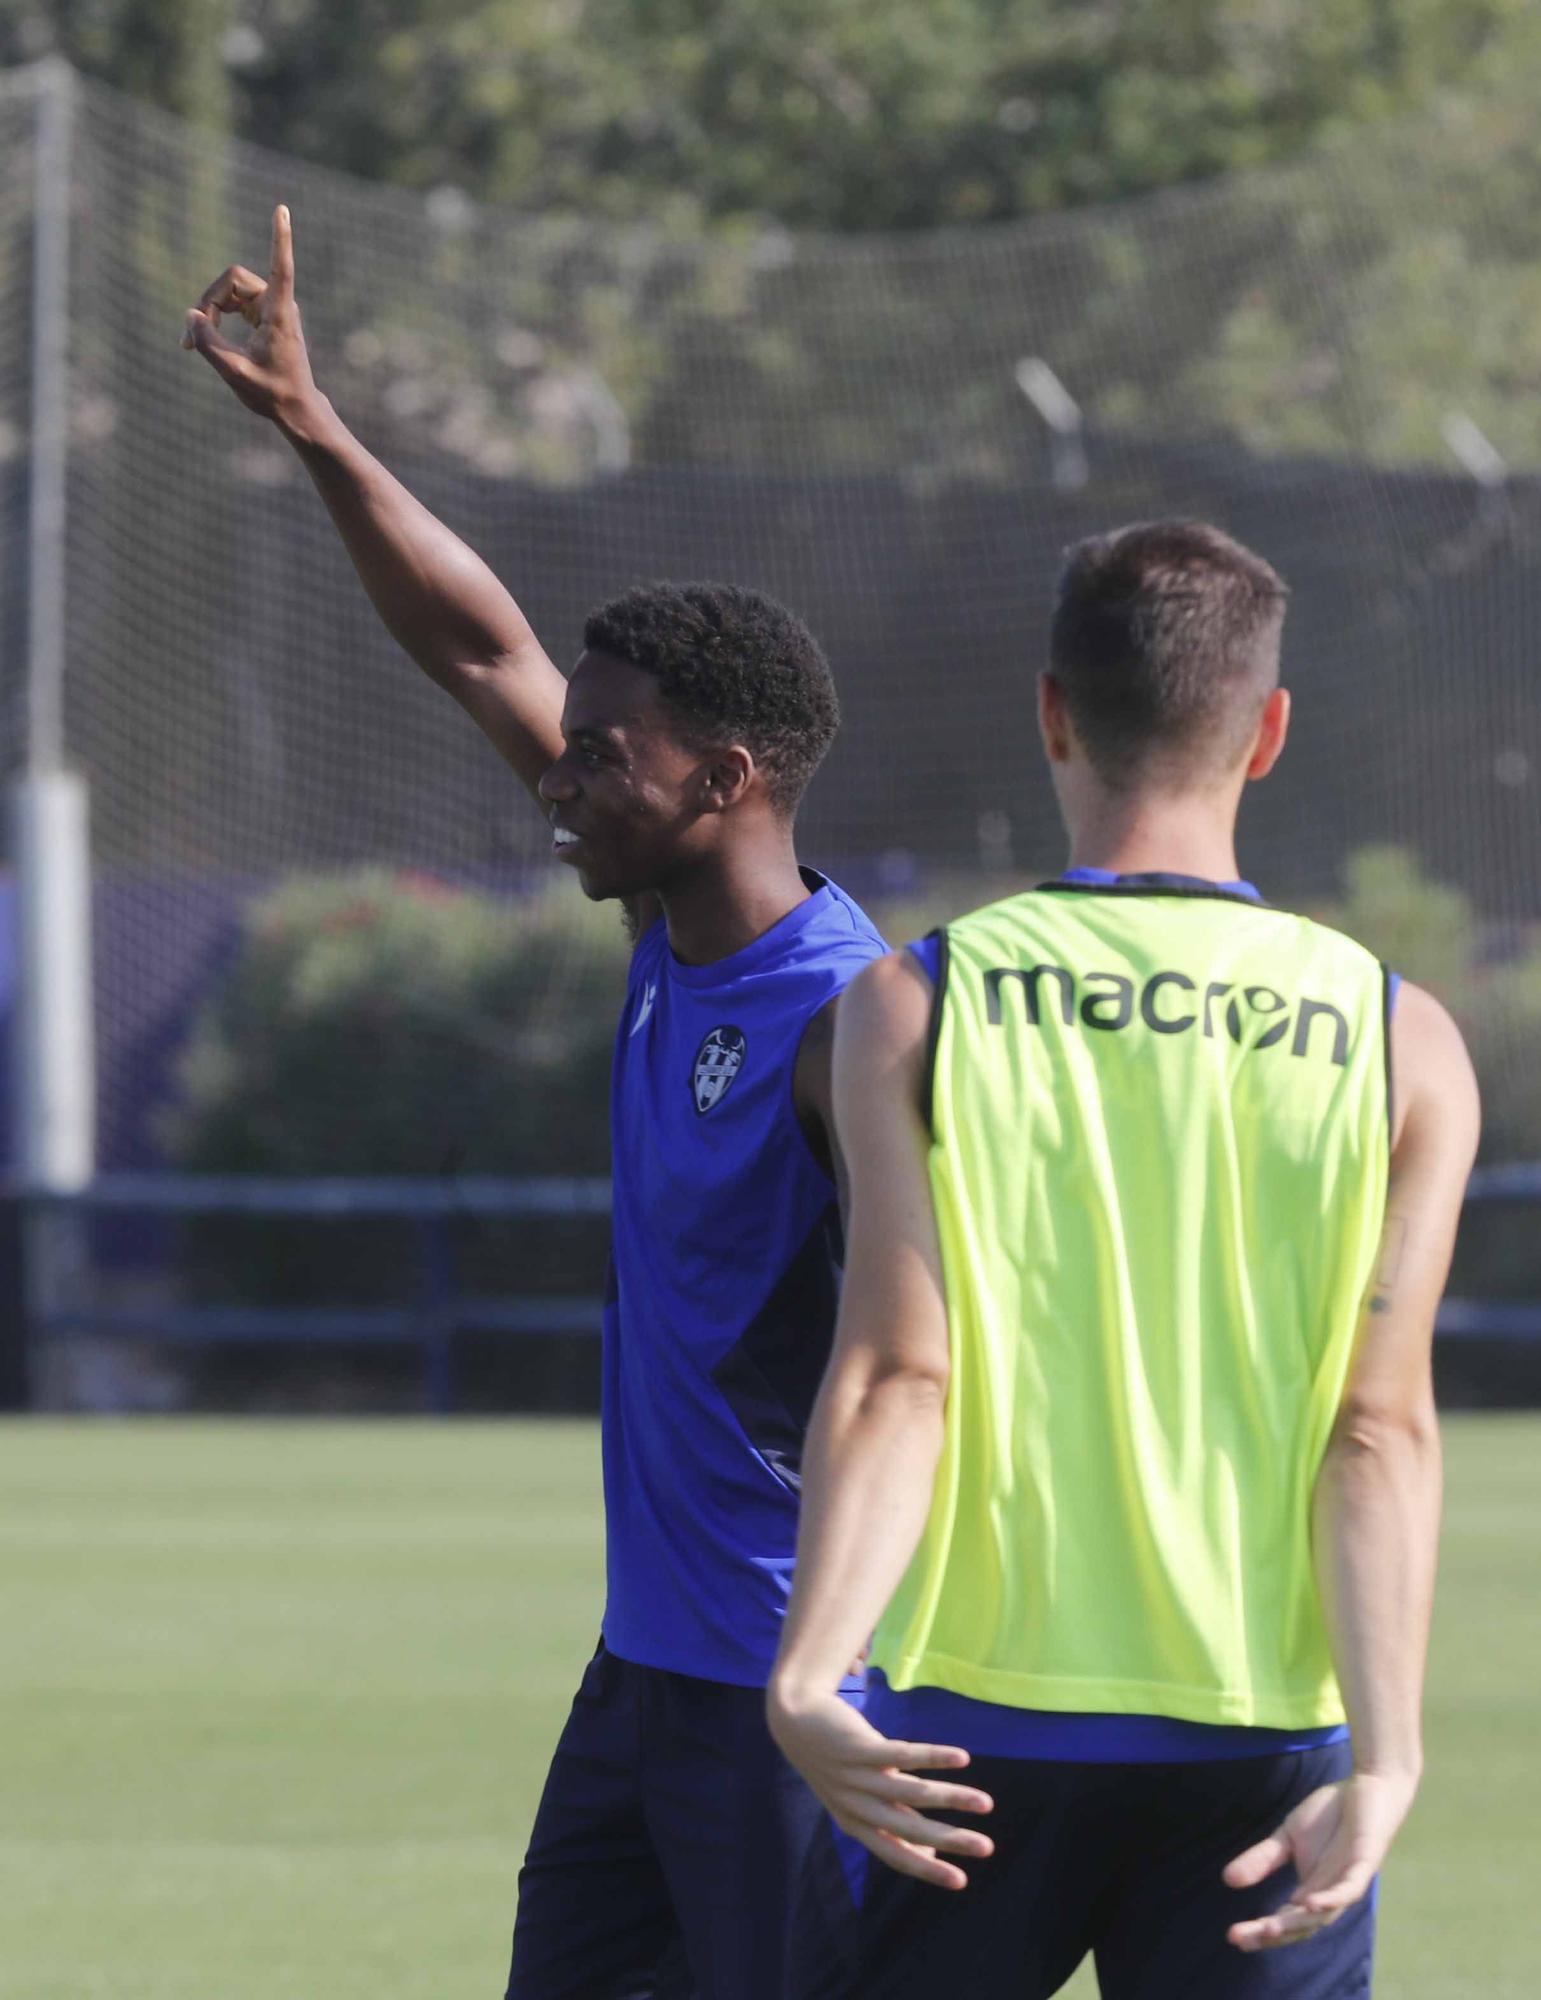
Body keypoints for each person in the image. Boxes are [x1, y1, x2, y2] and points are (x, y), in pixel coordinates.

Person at [184, 206, 886, 2000]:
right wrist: (312, 426)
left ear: (725, 778)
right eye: (571, 740)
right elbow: (483, 649)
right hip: (648, 1665)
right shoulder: (668, 924)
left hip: (794, 1686)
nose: (555, 777)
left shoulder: (857, 1022)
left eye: (603, 754)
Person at [767, 519, 1480, 1999]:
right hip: (1262, 1745)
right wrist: (1392, 1752)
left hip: (963, 1740)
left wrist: (804, 1675)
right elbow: (1376, 1427)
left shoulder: (914, 1004)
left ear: (1049, 712)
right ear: (1268, 729)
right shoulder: (1401, 1040)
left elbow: (899, 1375)